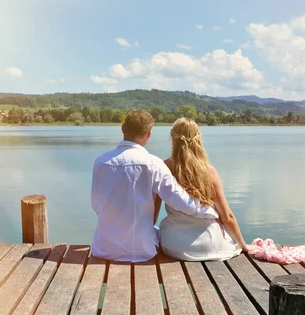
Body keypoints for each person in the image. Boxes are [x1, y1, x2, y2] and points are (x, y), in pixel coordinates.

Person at [91, 109, 219, 262]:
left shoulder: (101, 162)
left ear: (122, 128)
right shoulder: (153, 164)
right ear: (148, 135)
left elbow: (96, 204)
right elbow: (179, 200)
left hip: (104, 249)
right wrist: (211, 212)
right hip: (141, 252)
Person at [157, 118, 259, 261]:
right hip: (208, 245)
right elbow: (227, 217)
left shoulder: (163, 168)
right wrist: (243, 245)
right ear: (198, 139)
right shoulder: (209, 171)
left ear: (172, 138)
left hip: (174, 246)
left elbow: (151, 214)